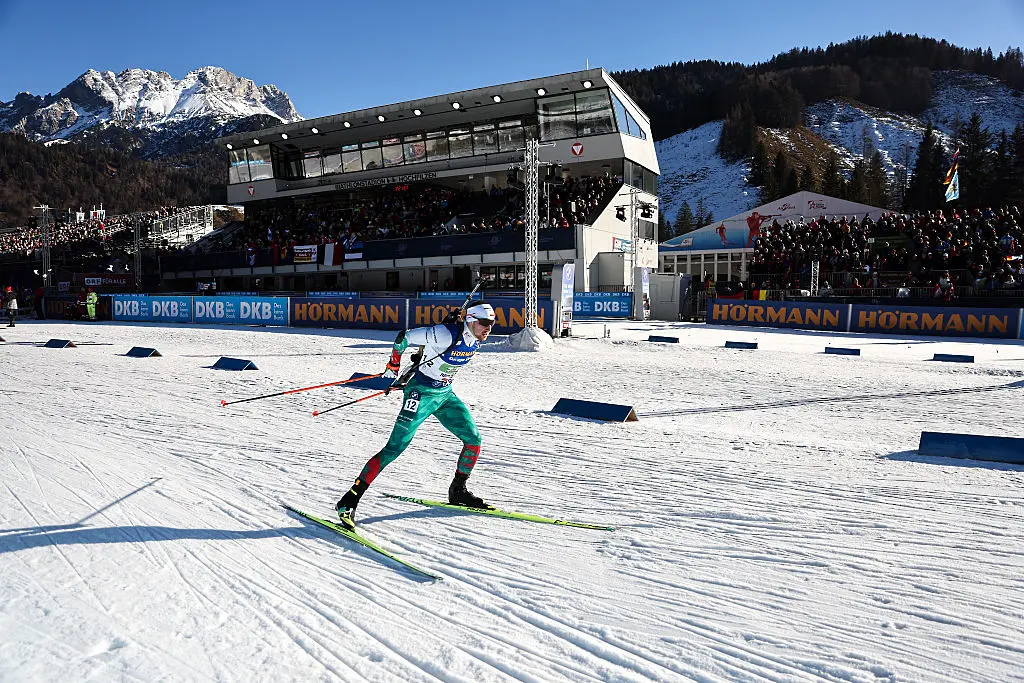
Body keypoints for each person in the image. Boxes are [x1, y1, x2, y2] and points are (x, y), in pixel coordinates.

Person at [334, 301, 496, 530]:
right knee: (395, 447)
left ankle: (458, 491)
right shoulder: (444, 333)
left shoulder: (473, 336)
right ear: (470, 320)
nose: (488, 328)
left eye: (492, 323)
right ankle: (349, 500)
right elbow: (404, 337)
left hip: (444, 394)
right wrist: (393, 365)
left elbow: (437, 354)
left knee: (473, 440)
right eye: (484, 323)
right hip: (420, 394)